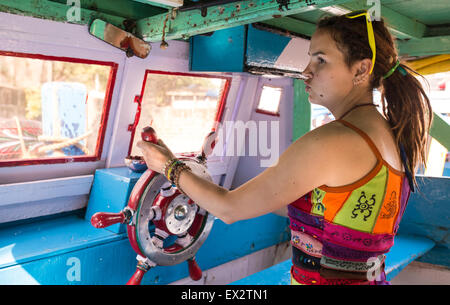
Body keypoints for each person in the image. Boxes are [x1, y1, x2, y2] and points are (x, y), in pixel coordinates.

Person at [137, 10, 433, 285]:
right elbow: (325, 211)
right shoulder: (390, 135)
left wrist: (168, 166)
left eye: (320, 60)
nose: (306, 71)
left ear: (361, 70)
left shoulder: (332, 141)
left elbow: (228, 209)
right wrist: (206, 187)